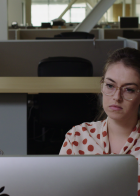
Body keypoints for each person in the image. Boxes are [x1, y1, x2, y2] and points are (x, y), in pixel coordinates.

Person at [59, 47, 140, 193]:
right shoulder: (77, 136)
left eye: (129, 89)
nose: (116, 97)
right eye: (110, 86)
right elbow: (60, 190)